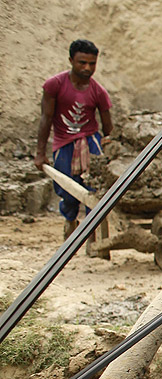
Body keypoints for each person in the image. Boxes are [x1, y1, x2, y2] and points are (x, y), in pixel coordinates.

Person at [33, 39, 114, 239]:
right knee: (68, 191)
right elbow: (46, 118)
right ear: (71, 60)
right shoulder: (54, 85)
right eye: (82, 63)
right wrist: (40, 153)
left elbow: (108, 126)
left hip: (91, 142)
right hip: (64, 143)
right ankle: (70, 220)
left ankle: (91, 234)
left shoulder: (98, 91)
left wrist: (110, 147)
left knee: (94, 190)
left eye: (92, 63)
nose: (87, 68)